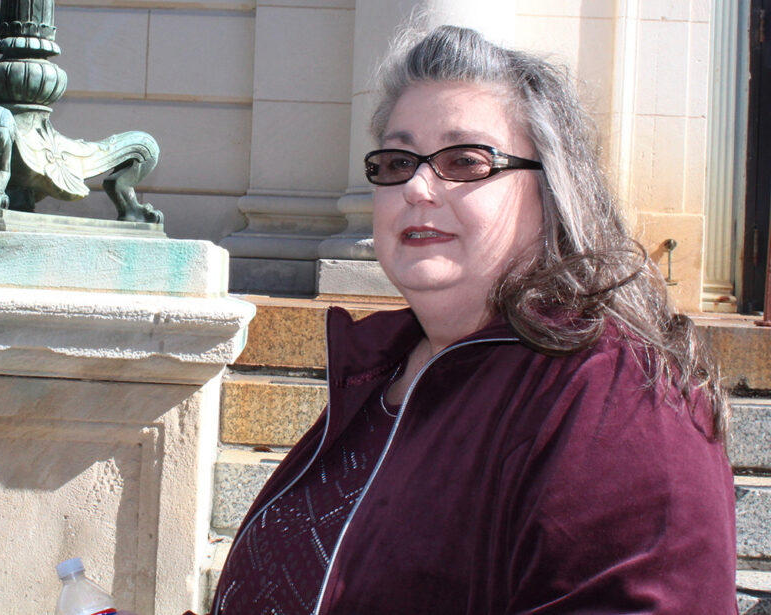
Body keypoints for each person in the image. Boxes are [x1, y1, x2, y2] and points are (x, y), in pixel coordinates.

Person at [184, 24, 737, 615]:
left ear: (551, 189)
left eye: (466, 161)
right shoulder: (382, 373)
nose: (418, 186)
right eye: (398, 162)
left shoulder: (616, 399)